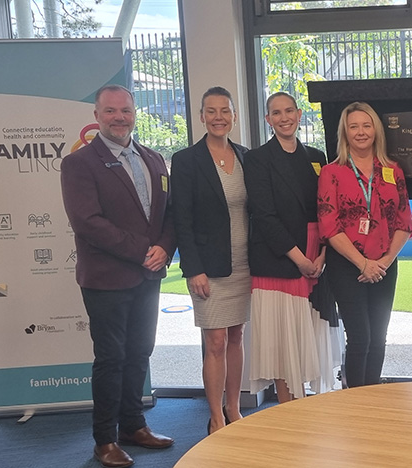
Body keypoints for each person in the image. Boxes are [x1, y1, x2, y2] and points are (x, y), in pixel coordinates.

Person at [60, 84, 175, 468]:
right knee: (111, 358)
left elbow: (167, 214)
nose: (119, 117)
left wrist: (165, 246)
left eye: (125, 110)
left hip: (148, 277)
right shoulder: (79, 164)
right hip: (107, 278)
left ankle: (133, 426)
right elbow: (87, 222)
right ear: (96, 116)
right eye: (110, 111)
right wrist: (142, 251)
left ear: (135, 113)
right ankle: (104, 439)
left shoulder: (154, 159)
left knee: (140, 352)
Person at [246, 92, 339, 401]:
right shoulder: (257, 159)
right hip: (280, 260)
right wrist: (300, 259)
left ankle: (308, 410)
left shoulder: (316, 157)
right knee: (283, 344)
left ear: (299, 115)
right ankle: (289, 411)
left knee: (308, 338)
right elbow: (263, 215)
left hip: (318, 257)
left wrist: (323, 254)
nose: (284, 117)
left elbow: (327, 208)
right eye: (276, 112)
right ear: (267, 119)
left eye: (289, 111)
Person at [317, 101, 412, 388]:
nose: (361, 132)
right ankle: (355, 402)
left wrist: (382, 263)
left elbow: (404, 223)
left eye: (366, 125)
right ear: (345, 133)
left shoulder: (392, 171)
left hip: (384, 266)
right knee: (360, 337)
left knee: (379, 337)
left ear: (376, 130)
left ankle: (373, 398)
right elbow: (329, 226)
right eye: (353, 126)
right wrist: (363, 264)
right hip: (348, 268)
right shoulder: (331, 173)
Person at [170, 86, 249, 434]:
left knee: (236, 337)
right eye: (211, 111)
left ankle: (234, 409)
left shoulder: (247, 156)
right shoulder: (186, 160)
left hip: (244, 263)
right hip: (208, 268)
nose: (219, 117)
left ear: (234, 116)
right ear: (202, 116)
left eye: (225, 111)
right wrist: (193, 269)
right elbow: (180, 219)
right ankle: (215, 416)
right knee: (215, 341)